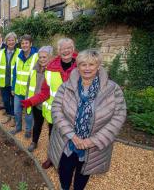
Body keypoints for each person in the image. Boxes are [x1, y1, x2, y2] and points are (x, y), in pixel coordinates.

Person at [49, 49, 127, 190]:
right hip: (68, 141)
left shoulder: (112, 89)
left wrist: (93, 140)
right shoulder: (66, 87)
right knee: (65, 170)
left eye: (91, 64)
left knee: (83, 172)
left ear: (98, 66)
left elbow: (118, 118)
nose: (87, 68)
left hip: (93, 146)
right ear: (77, 66)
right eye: (83, 64)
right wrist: (72, 136)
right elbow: (56, 110)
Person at [21, 38, 78, 166]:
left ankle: (68, 161)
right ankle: (52, 158)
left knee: (70, 137)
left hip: (72, 113)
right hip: (52, 110)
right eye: (63, 48)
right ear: (59, 51)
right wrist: (30, 101)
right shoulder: (51, 70)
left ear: (73, 48)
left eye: (68, 47)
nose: (66, 50)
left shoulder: (81, 66)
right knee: (53, 135)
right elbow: (45, 92)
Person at [20, 46, 54, 152]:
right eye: (40, 57)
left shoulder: (54, 71)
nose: (42, 59)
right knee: (37, 124)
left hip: (49, 105)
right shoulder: (35, 69)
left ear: (50, 57)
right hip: (37, 103)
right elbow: (29, 85)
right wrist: (28, 99)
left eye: (45, 57)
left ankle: (51, 150)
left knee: (51, 128)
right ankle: (34, 142)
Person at [10, 34, 38, 138]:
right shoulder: (18, 57)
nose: (24, 45)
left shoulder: (36, 56)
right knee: (17, 112)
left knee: (28, 114)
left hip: (30, 92)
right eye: (22, 43)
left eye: (26, 43)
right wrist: (13, 87)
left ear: (31, 44)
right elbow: (14, 74)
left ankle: (28, 130)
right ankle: (18, 128)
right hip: (18, 91)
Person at [0, 32, 20, 122]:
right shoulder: (1, 52)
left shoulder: (19, 52)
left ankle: (13, 117)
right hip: (4, 82)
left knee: (14, 101)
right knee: (6, 101)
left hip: (14, 82)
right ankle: (9, 114)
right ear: (6, 42)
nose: (11, 42)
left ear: (16, 41)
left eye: (12, 40)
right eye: (9, 40)